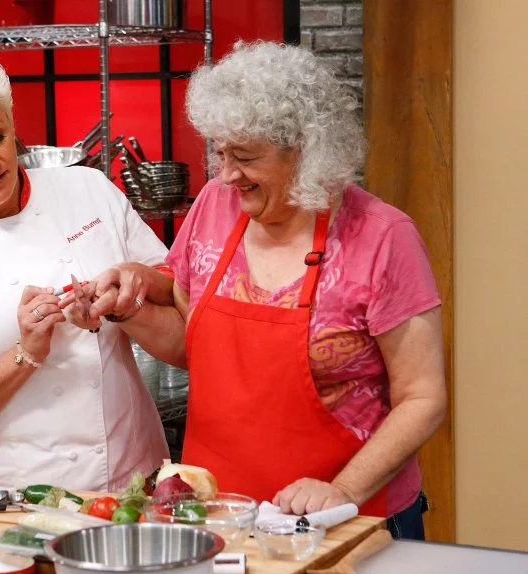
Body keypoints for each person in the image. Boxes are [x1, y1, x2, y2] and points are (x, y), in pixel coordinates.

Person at [118, 41, 447, 539]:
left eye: (245, 157)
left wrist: (343, 489)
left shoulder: (381, 237)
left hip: (346, 523)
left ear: (306, 148)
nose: (227, 174)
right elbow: (194, 344)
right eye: (220, 152)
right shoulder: (214, 204)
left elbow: (423, 397)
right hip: (221, 519)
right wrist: (128, 308)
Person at [0, 37, 171, 491]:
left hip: (129, 477)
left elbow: (174, 289)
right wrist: (26, 353)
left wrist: (131, 291)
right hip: (10, 497)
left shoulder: (89, 190)